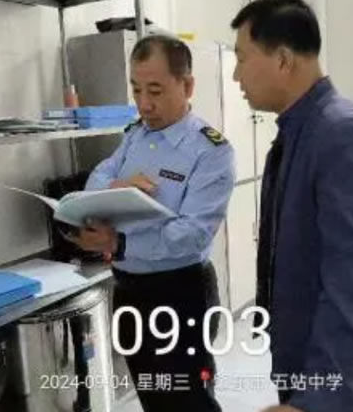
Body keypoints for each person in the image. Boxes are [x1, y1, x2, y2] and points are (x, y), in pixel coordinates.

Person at [230, 0, 353, 412]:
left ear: (283, 60)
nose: (235, 75)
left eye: (242, 58)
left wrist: (318, 400)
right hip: (298, 349)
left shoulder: (346, 134)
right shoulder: (296, 133)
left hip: (323, 366)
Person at [67, 34, 235, 412]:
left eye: (155, 91)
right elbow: (98, 177)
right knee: (153, 396)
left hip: (179, 293)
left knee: (189, 401)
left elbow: (193, 235)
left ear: (187, 86)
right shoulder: (134, 135)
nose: (144, 104)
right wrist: (116, 186)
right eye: (136, 90)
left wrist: (120, 243)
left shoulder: (211, 151)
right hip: (128, 290)